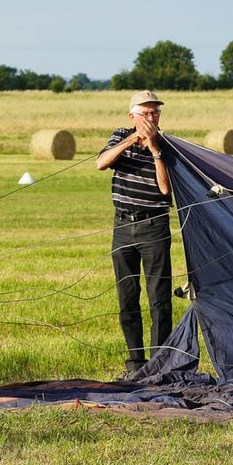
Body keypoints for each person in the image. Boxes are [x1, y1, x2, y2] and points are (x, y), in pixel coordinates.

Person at [95, 90, 173, 375]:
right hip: (122, 225)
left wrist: (154, 151)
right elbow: (101, 163)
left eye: (156, 113)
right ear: (132, 116)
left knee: (159, 299)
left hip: (154, 226)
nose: (152, 118)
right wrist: (132, 139)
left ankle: (160, 365)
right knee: (127, 296)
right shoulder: (119, 136)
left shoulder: (166, 145)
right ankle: (135, 363)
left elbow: (166, 189)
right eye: (146, 113)